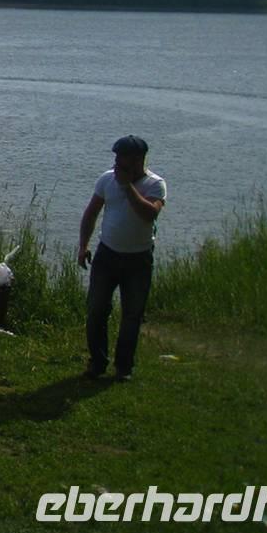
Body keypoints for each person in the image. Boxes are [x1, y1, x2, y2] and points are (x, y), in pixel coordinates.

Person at [77, 135, 166, 381]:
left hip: (138, 260)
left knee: (131, 315)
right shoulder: (107, 179)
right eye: (115, 157)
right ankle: (97, 362)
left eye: (122, 157)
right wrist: (83, 246)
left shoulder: (155, 185)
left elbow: (149, 215)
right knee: (95, 310)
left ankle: (123, 368)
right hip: (107, 255)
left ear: (137, 160)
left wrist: (127, 187)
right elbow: (91, 213)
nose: (116, 162)